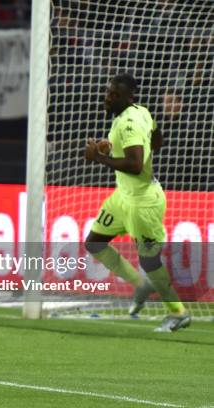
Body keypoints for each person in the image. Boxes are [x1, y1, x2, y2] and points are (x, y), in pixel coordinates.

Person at [83, 73, 190, 332]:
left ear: (129, 97)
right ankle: (141, 285)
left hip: (142, 202)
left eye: (114, 94)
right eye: (108, 92)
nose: (108, 97)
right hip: (123, 197)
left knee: (150, 262)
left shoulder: (129, 122)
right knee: (94, 242)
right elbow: (156, 140)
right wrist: (112, 148)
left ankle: (179, 313)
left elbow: (134, 163)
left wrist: (98, 157)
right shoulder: (140, 112)